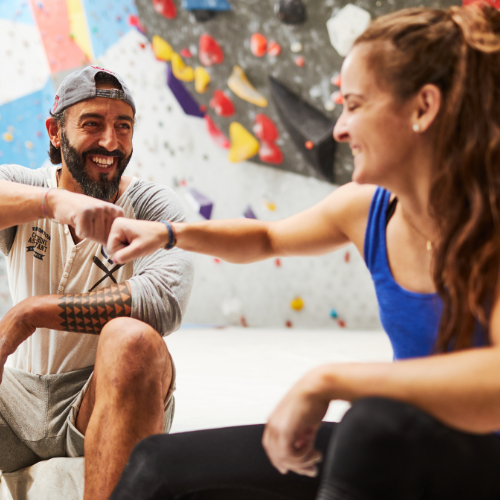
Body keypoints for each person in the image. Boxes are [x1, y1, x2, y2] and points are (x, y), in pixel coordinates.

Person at [106, 4, 500, 499]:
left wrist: (328, 380)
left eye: (354, 105)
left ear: (423, 107)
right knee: (156, 467)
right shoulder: (370, 211)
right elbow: (267, 237)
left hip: (476, 463)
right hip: (405, 451)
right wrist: (169, 234)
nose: (337, 128)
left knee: (370, 424)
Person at [0, 66, 194, 500]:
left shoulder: (148, 205)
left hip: (97, 398)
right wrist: (54, 203)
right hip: (16, 402)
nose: (110, 142)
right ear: (54, 132)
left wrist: (31, 313)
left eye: (122, 126)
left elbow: (163, 302)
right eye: (92, 124)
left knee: (134, 341)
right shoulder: (30, 189)